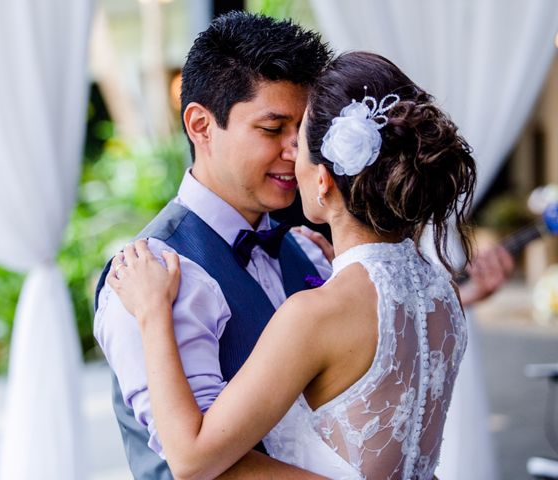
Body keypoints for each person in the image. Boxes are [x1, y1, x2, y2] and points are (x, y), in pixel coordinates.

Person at [108, 51, 478, 478]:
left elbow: (190, 461)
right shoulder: (441, 291)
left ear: (323, 180)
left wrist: (154, 314)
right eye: (272, 129)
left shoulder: (315, 313)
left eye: (298, 140)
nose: (289, 154)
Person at [94, 12, 333, 479]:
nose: (297, 152)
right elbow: (198, 464)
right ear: (201, 125)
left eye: (302, 131)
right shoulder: (150, 275)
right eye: (272, 129)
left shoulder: (301, 249)